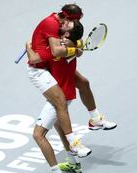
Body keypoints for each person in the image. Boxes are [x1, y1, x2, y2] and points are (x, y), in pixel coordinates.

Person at [27, 4, 92, 159]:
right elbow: (50, 53)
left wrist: (28, 46)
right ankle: (74, 153)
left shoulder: (60, 44)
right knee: (51, 125)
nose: (75, 23)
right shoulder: (59, 36)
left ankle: (72, 155)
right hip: (45, 73)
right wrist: (75, 49)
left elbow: (39, 56)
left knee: (45, 128)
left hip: (57, 83)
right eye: (73, 21)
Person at [26, 20, 84, 173]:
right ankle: (74, 163)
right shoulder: (73, 46)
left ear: (66, 36)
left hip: (59, 97)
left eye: (67, 26)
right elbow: (77, 47)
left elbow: (34, 58)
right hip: (66, 93)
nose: (62, 24)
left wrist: (28, 46)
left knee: (38, 135)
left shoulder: (56, 51)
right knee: (59, 125)